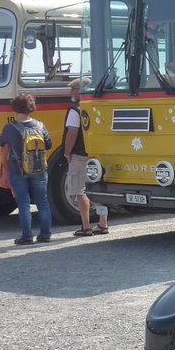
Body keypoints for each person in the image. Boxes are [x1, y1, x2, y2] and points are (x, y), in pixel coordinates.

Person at [0, 93, 52, 245]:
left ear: (15, 107)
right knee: (43, 202)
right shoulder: (40, 125)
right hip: (39, 169)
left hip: (18, 170)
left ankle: (27, 237)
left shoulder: (10, 127)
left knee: (23, 204)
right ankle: (45, 234)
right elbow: (48, 144)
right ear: (31, 107)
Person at [63, 78, 108, 235]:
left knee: (79, 190)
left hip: (80, 155)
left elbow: (72, 133)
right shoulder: (97, 106)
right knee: (100, 188)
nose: (71, 93)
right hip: (97, 154)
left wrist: (66, 153)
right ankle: (103, 224)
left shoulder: (75, 109)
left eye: (73, 89)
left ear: (79, 90)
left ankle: (86, 226)